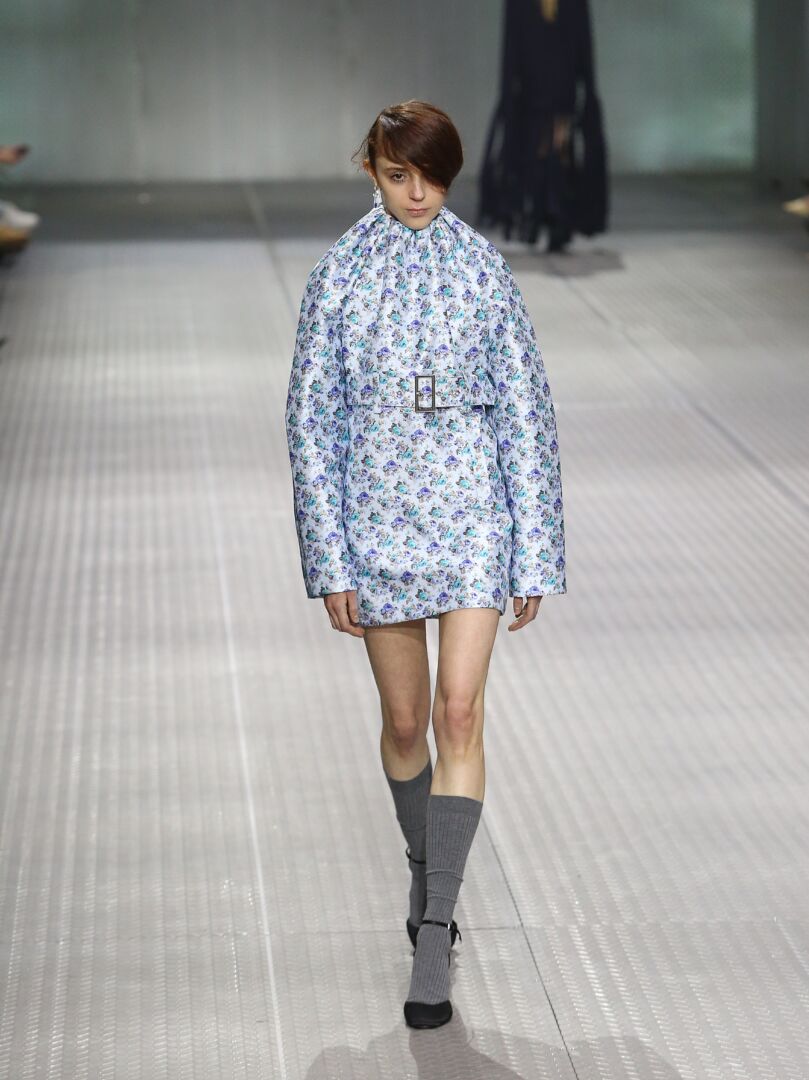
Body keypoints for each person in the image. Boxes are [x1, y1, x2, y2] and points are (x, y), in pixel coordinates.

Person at [284, 100, 566, 1029]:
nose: (418, 194)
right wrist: (328, 558)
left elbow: (525, 409)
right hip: (377, 516)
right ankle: (424, 870)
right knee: (405, 722)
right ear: (370, 168)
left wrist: (534, 548)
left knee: (458, 712)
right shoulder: (337, 276)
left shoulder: (482, 268)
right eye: (400, 175)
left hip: (473, 513)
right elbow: (310, 425)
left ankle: (436, 927)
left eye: (433, 177)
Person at [477, 0, 609, 251]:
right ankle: (546, 215)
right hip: (534, 87)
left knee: (557, 148)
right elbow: (512, 45)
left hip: (559, 86)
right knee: (541, 150)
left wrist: (587, 88)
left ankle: (553, 216)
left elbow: (583, 41)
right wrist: (509, 91)